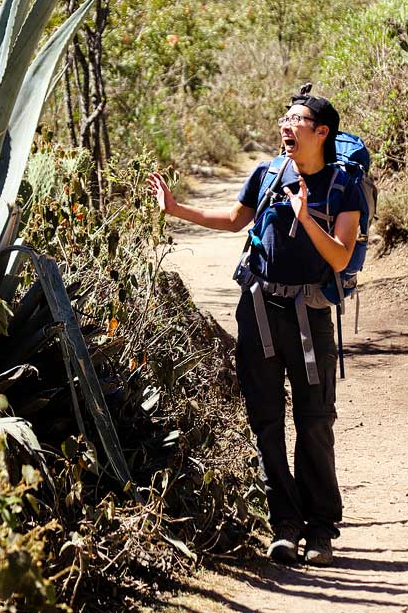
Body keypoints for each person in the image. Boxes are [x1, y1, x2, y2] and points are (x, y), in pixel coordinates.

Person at [147, 92, 362, 567]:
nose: (287, 125)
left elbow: (342, 256)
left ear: (322, 131)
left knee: (315, 423)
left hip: (311, 317)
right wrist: (178, 210)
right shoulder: (267, 174)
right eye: (285, 117)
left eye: (298, 120)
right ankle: (284, 524)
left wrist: (306, 218)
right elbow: (235, 220)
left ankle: (321, 529)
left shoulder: (343, 184)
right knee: (265, 423)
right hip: (259, 309)